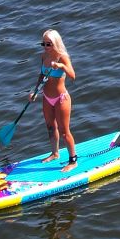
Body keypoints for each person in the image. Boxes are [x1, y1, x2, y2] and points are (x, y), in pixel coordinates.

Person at [37, 29, 78, 167]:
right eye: (44, 44)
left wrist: (61, 66)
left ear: (55, 43)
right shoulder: (44, 57)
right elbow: (41, 76)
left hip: (61, 99)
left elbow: (73, 76)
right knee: (50, 127)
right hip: (47, 97)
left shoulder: (62, 57)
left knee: (64, 132)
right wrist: (35, 92)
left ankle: (73, 160)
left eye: (49, 44)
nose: (46, 47)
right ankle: (55, 153)